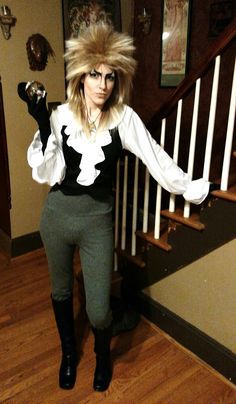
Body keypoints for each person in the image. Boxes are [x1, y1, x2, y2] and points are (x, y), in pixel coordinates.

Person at [17, 23, 209, 392]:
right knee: (60, 291)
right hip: (56, 218)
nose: (103, 84)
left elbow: (158, 161)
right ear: (80, 75)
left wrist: (194, 189)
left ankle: (103, 358)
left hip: (96, 223)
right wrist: (43, 123)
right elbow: (47, 171)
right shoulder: (60, 117)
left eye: (109, 76)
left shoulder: (124, 118)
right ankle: (69, 355)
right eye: (95, 74)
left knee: (100, 309)